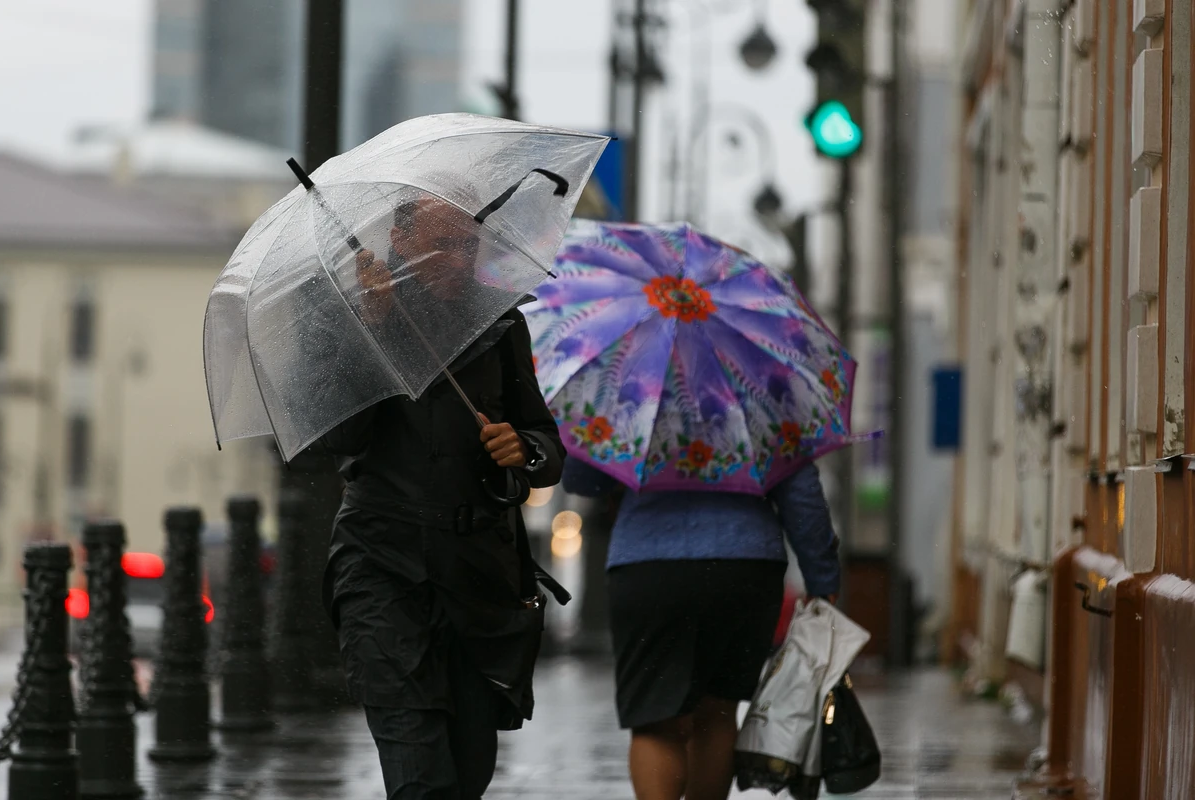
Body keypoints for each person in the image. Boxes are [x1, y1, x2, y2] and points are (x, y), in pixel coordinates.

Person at [317, 188, 567, 800]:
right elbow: (338, 439)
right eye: (439, 245)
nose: (457, 260)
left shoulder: (502, 324)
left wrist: (523, 448)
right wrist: (373, 331)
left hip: (478, 573)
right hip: (382, 563)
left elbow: (546, 447)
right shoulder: (354, 320)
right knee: (418, 768)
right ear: (399, 242)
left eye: (467, 245)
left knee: (468, 765)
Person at [563, 458, 840, 800]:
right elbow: (800, 491)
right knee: (717, 713)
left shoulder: (628, 404)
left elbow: (581, 478)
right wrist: (822, 574)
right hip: (745, 562)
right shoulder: (772, 403)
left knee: (657, 719)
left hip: (649, 561)